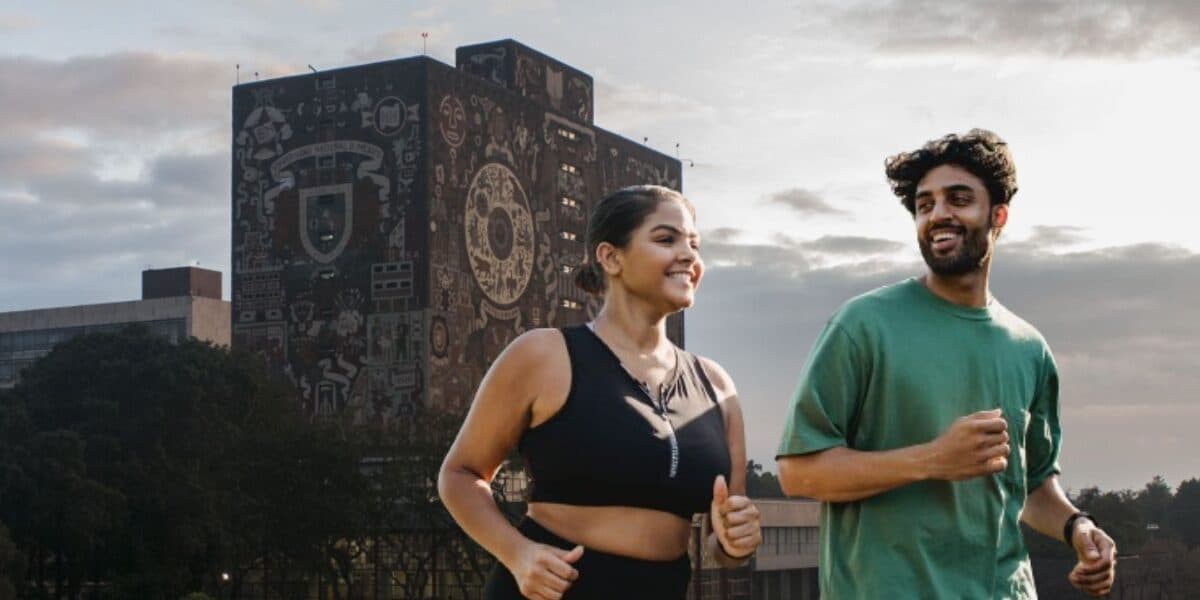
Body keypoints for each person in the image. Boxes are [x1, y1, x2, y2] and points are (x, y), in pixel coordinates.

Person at [775, 129, 1117, 598]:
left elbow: (1032, 485)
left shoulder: (1029, 348)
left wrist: (1078, 526)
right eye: (925, 204)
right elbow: (798, 471)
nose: (938, 214)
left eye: (958, 199)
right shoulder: (862, 325)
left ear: (998, 215)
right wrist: (932, 459)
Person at [439, 185, 762, 599]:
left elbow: (725, 542)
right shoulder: (543, 355)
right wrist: (518, 554)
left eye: (694, 245)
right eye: (666, 239)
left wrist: (736, 542)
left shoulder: (717, 386)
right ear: (610, 257)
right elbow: (460, 474)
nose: (689, 256)